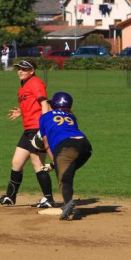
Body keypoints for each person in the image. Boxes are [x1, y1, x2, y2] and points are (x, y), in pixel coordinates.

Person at [0, 60, 55, 208]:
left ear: (32, 71)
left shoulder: (35, 82)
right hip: (28, 130)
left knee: (38, 164)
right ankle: (10, 197)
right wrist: (21, 111)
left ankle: (48, 199)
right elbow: (32, 104)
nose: (20, 71)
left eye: (24, 69)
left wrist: (43, 128)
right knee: (16, 162)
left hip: (37, 128)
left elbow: (44, 103)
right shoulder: (24, 85)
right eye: (19, 69)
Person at [39, 92, 93, 221]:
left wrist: (54, 161)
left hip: (67, 146)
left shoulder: (45, 117)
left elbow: (46, 144)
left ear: (54, 104)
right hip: (85, 146)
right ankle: (68, 203)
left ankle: (68, 204)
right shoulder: (71, 116)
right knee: (68, 171)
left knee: (64, 178)